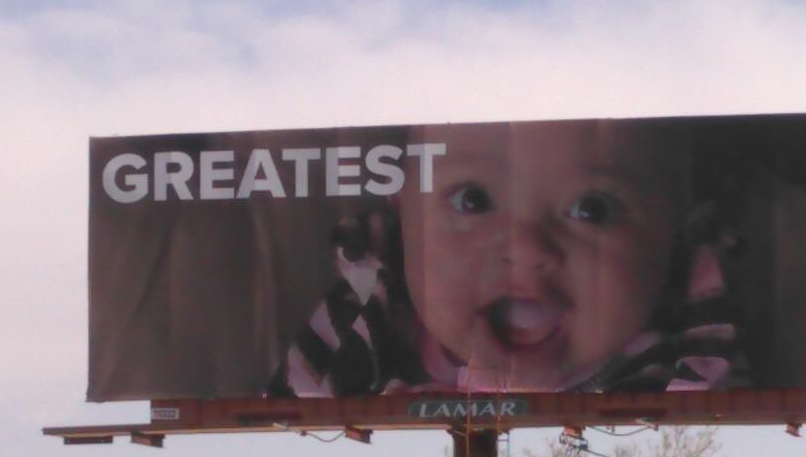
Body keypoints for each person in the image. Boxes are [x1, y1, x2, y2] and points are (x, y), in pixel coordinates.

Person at [267, 121, 748, 397]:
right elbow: (289, 422)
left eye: (592, 209)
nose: (525, 249)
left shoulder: (686, 373)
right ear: (402, 212)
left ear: (674, 236)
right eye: (472, 200)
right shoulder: (357, 329)